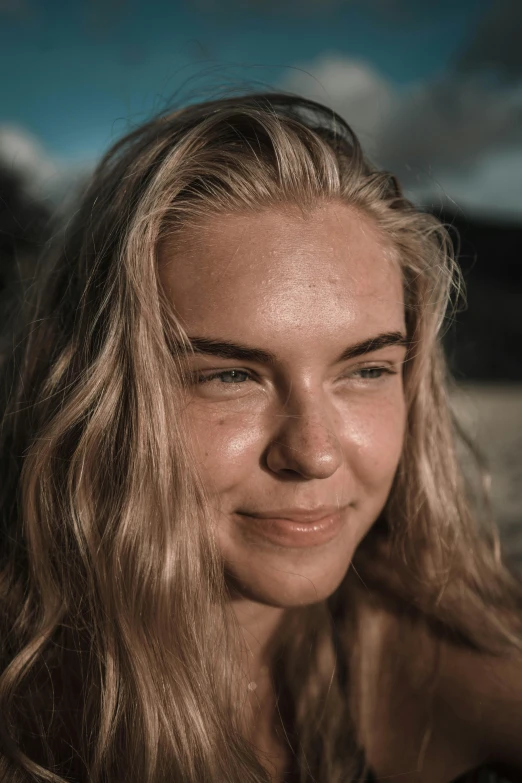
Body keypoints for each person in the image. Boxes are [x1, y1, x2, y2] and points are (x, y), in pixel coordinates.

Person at [0, 93, 521, 783]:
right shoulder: (24, 708)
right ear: (90, 395)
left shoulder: (465, 651)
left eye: (366, 368)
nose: (314, 452)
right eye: (230, 375)